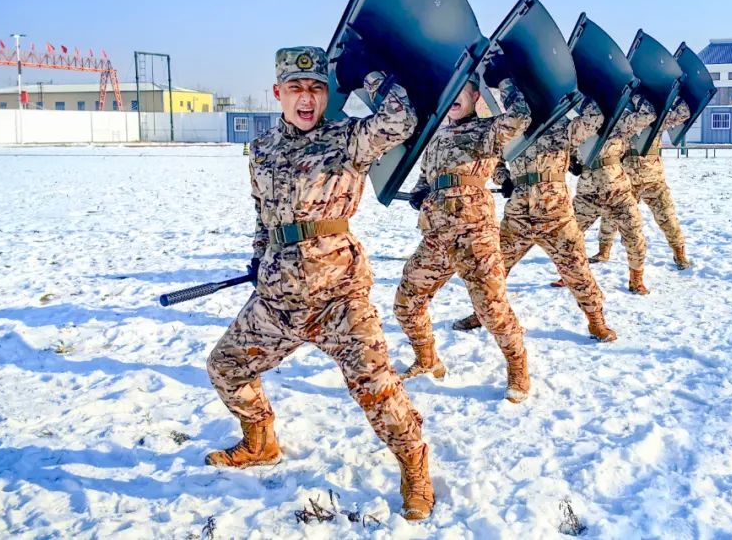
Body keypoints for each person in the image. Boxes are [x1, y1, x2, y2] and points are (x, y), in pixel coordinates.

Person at [205, 45, 434, 521]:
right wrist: (257, 260)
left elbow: (401, 121)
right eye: (296, 89)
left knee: (377, 389)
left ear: (327, 95)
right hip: (277, 300)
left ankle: (415, 468)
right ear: (278, 93)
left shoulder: (348, 139)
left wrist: (369, 72)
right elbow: (262, 215)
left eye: (315, 88)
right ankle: (261, 441)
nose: (306, 98)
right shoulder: (263, 148)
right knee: (225, 367)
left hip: (339, 298)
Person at [393, 57, 533, 402]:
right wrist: (421, 190)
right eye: (450, 90)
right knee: (406, 302)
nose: (455, 96)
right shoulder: (436, 135)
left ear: (475, 96)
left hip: (475, 237)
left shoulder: (487, 132)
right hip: (437, 236)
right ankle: (427, 359)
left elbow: (521, 116)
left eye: (463, 90)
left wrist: (505, 82)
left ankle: (518, 367)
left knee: (492, 308)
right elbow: (426, 174)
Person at [451, 99, 616, 341]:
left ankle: (596, 322)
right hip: (518, 217)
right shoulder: (512, 127)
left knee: (578, 272)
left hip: (557, 217)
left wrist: (589, 89)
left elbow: (595, 118)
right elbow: (494, 156)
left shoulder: (562, 126)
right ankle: (484, 314)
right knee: (492, 269)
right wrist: (504, 178)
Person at [555, 96, 657, 294]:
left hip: (617, 191)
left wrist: (636, 95)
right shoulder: (580, 125)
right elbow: (565, 146)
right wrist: (572, 162)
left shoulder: (620, 120)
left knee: (634, 235)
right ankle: (569, 275)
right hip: (587, 194)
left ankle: (636, 279)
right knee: (568, 236)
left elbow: (649, 115)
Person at [593, 100, 692, 269]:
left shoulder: (658, 117)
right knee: (611, 215)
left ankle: (679, 254)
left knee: (667, 217)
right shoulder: (623, 118)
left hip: (653, 179)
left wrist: (680, 95)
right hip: (626, 179)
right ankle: (604, 250)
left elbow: (683, 113)